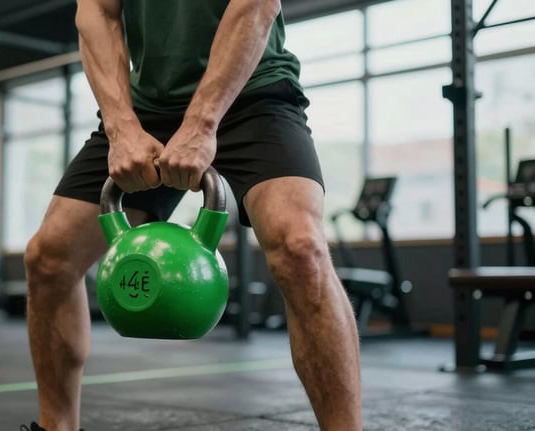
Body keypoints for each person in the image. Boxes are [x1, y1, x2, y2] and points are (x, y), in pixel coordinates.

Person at [23, 1, 362, 430]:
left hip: (252, 92)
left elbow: (257, 4)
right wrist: (121, 127)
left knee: (301, 248)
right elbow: (96, 13)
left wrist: (201, 125)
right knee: (48, 257)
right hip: (146, 110)